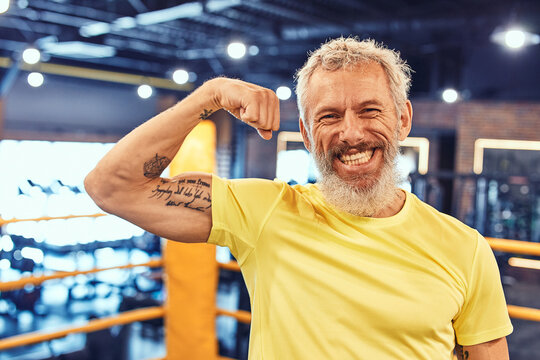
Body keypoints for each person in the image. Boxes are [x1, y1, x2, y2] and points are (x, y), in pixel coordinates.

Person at [85, 37, 513, 359]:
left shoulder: (464, 248)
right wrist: (209, 95)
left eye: (369, 110)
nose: (350, 133)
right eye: (328, 116)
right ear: (307, 135)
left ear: (402, 120)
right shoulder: (264, 212)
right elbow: (110, 187)